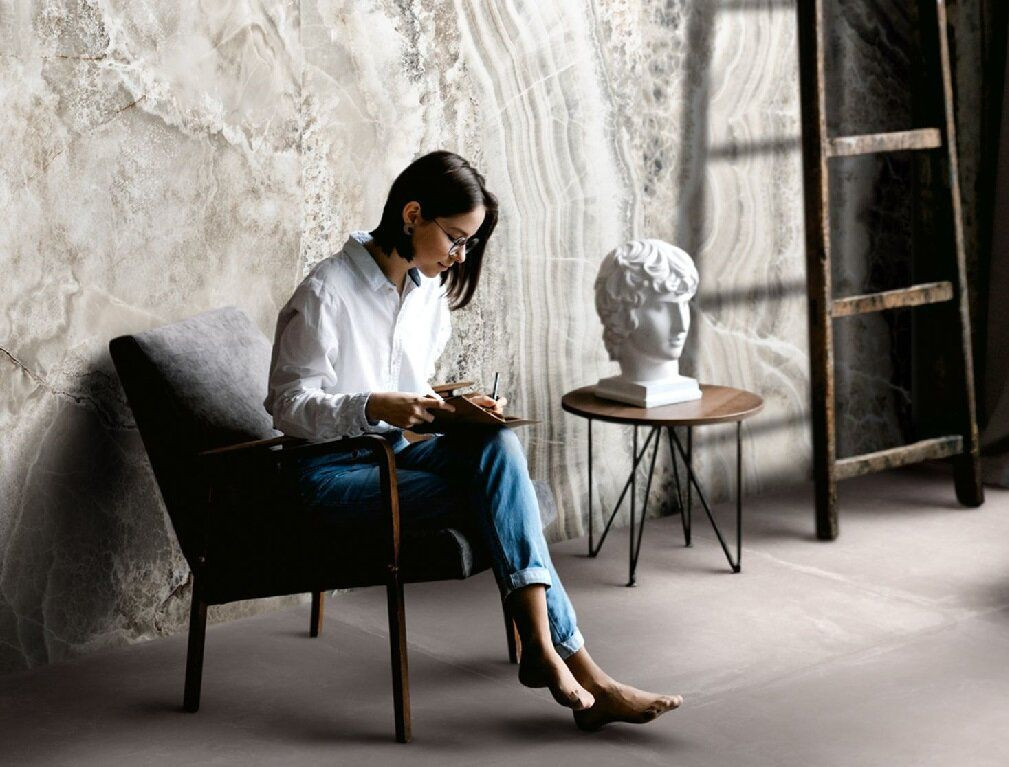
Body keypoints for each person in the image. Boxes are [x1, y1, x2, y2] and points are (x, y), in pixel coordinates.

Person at [263, 149, 682, 731]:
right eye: (456, 239)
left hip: (394, 454)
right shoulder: (325, 292)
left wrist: (453, 406)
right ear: (412, 214)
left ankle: (548, 652)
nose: (459, 256)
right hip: (327, 475)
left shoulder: (425, 292)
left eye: (468, 243)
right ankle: (582, 670)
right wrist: (373, 405)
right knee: (507, 499)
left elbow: (407, 390)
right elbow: (286, 406)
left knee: (498, 446)